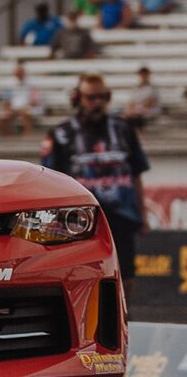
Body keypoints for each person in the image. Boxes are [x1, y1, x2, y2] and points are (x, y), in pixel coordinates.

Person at [41, 73, 148, 285]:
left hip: (121, 214)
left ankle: (123, 316)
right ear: (78, 98)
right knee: (82, 274)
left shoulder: (124, 129)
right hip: (80, 217)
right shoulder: (62, 133)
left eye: (102, 97)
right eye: (91, 98)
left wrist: (142, 215)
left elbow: (136, 173)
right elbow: (49, 181)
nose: (97, 103)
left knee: (125, 274)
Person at [0, 63, 42, 135]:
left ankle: (27, 138)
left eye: (21, 73)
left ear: (24, 74)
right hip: (14, 109)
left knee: (25, 114)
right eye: (17, 73)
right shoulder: (9, 85)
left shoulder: (31, 85)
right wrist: (8, 109)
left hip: (27, 109)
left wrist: (26, 107)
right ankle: (10, 139)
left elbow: (35, 101)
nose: (19, 75)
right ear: (14, 74)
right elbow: (6, 101)